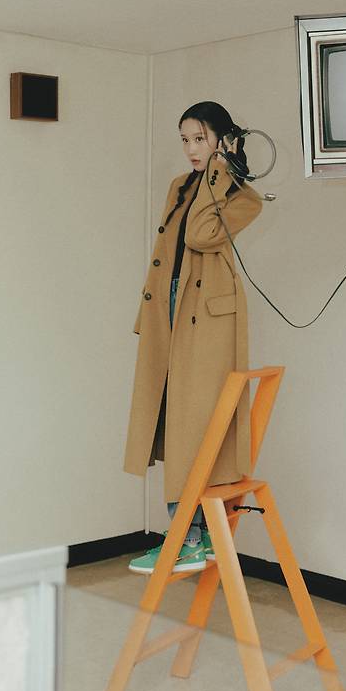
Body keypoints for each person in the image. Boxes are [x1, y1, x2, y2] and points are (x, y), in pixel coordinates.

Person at [124, 101, 262, 574]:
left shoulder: (243, 196)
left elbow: (202, 235)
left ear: (223, 140)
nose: (190, 149)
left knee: (195, 429)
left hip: (206, 319)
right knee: (167, 423)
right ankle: (192, 536)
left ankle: (187, 538)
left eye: (200, 139)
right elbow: (165, 251)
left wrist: (221, 171)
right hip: (168, 310)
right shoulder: (179, 186)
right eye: (184, 140)